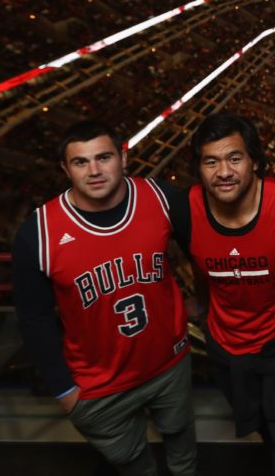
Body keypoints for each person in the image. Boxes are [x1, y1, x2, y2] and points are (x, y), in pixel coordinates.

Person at [12, 120, 197, 476]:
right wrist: (64, 390)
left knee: (182, 444)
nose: (94, 170)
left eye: (103, 157)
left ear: (123, 158)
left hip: (168, 363)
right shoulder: (39, 231)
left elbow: (205, 250)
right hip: (97, 383)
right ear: (65, 169)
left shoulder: (160, 197)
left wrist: (201, 303)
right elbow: (33, 317)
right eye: (81, 162)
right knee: (131, 464)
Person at [181, 113, 275, 475]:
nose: (224, 172)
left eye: (234, 158)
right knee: (268, 438)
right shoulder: (184, 212)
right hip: (229, 354)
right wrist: (202, 309)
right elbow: (197, 266)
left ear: (255, 161)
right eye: (210, 161)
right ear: (199, 168)